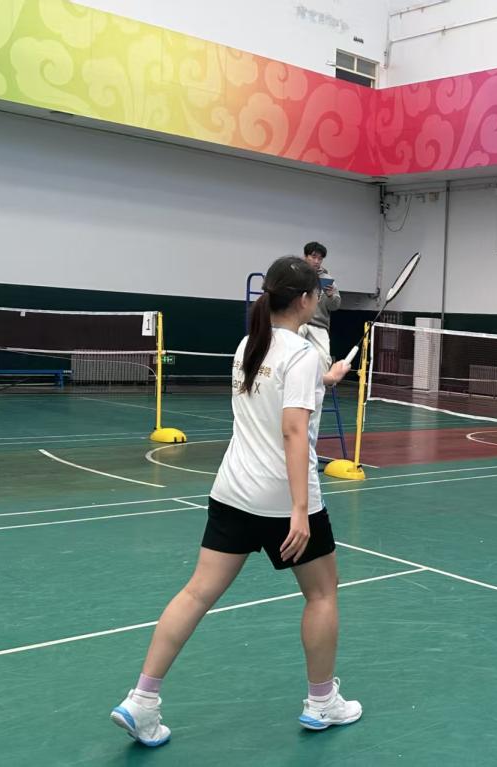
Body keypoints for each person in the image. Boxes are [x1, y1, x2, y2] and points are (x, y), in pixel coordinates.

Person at [110, 256, 358, 747]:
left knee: (196, 594)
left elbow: (277, 391)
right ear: (305, 300)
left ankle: (142, 701)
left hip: (232, 492)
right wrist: (299, 510)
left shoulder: (251, 344)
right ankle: (322, 702)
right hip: (283, 500)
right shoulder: (301, 353)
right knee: (322, 594)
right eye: (317, 293)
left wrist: (328, 377)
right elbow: (293, 430)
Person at [301, 241, 341, 372]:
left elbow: (335, 306)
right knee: (292, 351)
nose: (316, 261)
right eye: (313, 257)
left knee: (324, 359)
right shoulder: (295, 274)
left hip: (319, 325)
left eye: (320, 258)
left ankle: (321, 384)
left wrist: (330, 296)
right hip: (298, 322)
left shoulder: (328, 280)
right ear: (305, 256)